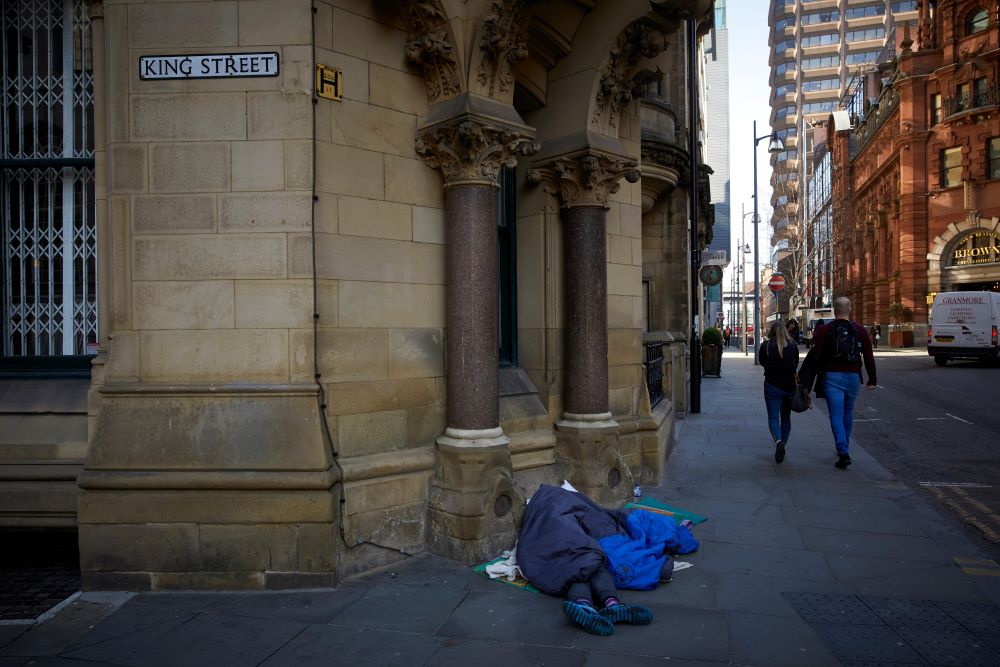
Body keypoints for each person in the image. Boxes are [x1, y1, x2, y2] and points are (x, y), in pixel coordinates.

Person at [801, 297, 877, 470]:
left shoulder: (824, 330)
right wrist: (872, 379)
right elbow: (869, 357)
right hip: (853, 378)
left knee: (836, 414)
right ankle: (845, 446)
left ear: (834, 309)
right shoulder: (860, 330)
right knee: (848, 412)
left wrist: (813, 377)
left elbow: (817, 356)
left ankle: (843, 450)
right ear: (849, 309)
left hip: (832, 377)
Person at [759, 320, 800, 463]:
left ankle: (778, 442)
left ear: (772, 332)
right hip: (789, 387)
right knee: (786, 417)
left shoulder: (766, 346)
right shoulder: (793, 346)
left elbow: (763, 362)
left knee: (773, 418)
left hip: (772, 385)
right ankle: (784, 444)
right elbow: (795, 364)